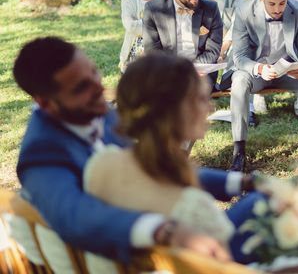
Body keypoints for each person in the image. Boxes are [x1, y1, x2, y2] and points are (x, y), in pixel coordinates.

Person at [14, 37, 258, 263]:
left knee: (262, 203)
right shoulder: (41, 154)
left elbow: (151, 169)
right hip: (136, 259)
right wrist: (164, 230)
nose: (99, 88)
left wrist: (242, 182)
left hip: (162, 247)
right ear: (45, 103)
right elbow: (76, 217)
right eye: (81, 88)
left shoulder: (98, 114)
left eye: (94, 73)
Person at [84, 52, 267, 266]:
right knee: (264, 208)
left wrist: (245, 182)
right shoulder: (195, 210)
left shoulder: (102, 164)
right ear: (172, 112)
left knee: (258, 201)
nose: (211, 108)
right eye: (201, 99)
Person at [228, 0, 298, 171]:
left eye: (282, 3)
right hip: (256, 71)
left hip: (288, 71)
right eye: (272, 4)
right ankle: (238, 151)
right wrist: (259, 69)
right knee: (238, 81)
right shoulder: (244, 11)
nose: (277, 9)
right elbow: (239, 56)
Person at [143, 0, 223, 68]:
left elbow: (213, 50)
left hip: (201, 72)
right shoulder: (154, 10)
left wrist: (191, 70)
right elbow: (152, 51)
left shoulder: (211, 8)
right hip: (167, 71)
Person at [119, 0, 171, 73]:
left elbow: (173, 22)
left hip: (165, 47)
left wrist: (143, 23)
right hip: (136, 50)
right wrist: (159, 25)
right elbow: (130, 26)